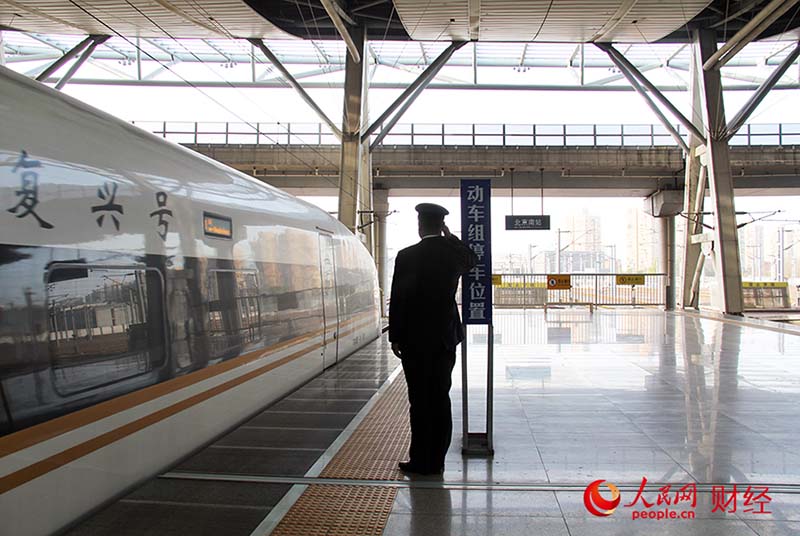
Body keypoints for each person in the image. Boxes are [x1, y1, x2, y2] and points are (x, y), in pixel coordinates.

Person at [389, 203, 477, 475]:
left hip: (414, 341)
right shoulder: (452, 255)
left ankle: (420, 460)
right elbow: (472, 259)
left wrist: (396, 336)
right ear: (441, 226)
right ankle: (436, 461)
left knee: (419, 400)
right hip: (444, 339)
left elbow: (398, 300)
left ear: (419, 226)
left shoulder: (406, 256)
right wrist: (451, 238)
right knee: (440, 398)